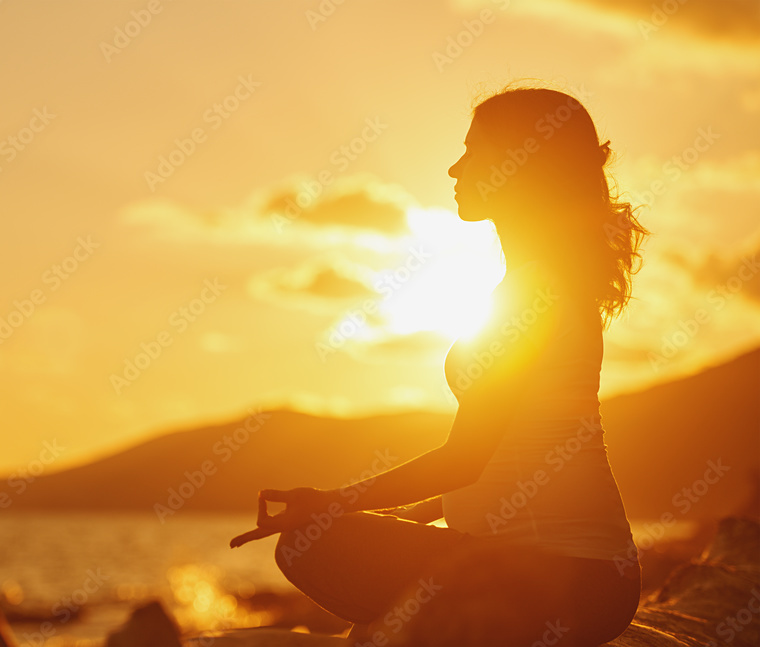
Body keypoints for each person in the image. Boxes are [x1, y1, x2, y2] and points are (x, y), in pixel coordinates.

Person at [229, 85, 650, 647]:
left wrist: (331, 503)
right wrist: (409, 517)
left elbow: (466, 458)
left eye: (473, 152)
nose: (455, 168)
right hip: (587, 578)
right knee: (336, 559)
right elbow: (509, 461)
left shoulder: (532, 296)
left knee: (310, 542)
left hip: (566, 579)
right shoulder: (543, 284)